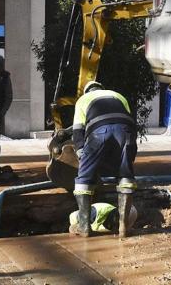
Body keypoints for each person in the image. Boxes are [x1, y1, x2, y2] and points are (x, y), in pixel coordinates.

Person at [71, 81, 137, 238]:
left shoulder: (83, 99)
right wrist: (127, 158)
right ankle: (123, 227)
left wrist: (81, 152)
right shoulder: (118, 96)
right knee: (125, 176)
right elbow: (127, 122)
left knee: (84, 178)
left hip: (98, 132)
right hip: (126, 131)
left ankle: (84, 227)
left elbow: (78, 130)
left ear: (87, 91)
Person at [69, 202, 138, 234]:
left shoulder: (119, 221)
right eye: (116, 225)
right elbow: (72, 216)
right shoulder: (93, 213)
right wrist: (76, 227)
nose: (116, 228)